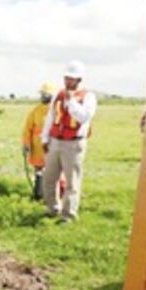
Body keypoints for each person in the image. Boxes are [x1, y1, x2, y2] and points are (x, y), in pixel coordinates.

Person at [41, 61, 97, 223]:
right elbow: (50, 118)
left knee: (72, 181)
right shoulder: (58, 96)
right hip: (56, 141)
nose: (67, 82)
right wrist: (45, 138)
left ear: (79, 80)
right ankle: (52, 208)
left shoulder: (88, 97)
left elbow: (84, 117)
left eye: (71, 79)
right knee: (49, 177)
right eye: (66, 78)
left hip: (74, 143)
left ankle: (68, 214)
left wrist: (71, 101)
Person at [22, 82, 56, 201]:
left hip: (51, 146)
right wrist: (26, 144)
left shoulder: (56, 109)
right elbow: (27, 128)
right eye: (41, 94)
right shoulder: (35, 110)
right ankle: (39, 193)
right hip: (36, 147)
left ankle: (52, 195)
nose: (42, 96)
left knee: (52, 171)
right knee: (38, 170)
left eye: (44, 94)